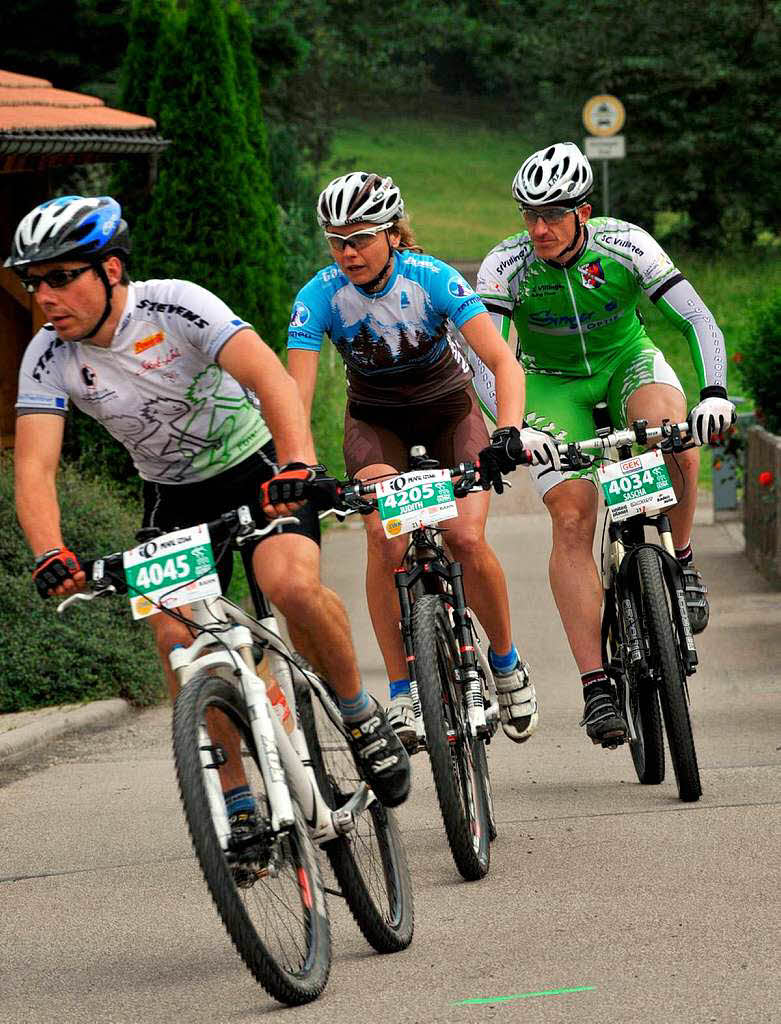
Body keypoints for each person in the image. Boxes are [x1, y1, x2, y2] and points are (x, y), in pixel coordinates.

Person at [8, 194, 410, 811]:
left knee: (289, 587)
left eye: (61, 278)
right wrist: (49, 551)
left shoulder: (175, 304)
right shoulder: (48, 354)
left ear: (110, 271)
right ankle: (237, 800)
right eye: (34, 282)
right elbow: (35, 466)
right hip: (171, 497)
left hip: (258, 470)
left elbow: (270, 378)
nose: (45, 297)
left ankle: (359, 714)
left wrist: (298, 463)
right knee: (175, 636)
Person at [471, 142, 735, 746]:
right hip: (548, 383)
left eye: (553, 215)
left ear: (582, 212)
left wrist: (715, 392)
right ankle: (595, 686)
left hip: (625, 361)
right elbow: (487, 356)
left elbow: (697, 318)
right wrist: (513, 428)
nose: (538, 228)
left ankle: (684, 560)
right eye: (529, 214)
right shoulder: (504, 264)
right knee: (571, 513)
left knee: (678, 436)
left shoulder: (628, 243)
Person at [286, 171, 552, 749]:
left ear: (393, 234)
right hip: (375, 423)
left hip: (448, 413)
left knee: (466, 538)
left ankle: (505, 664)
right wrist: (298, 465)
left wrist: (507, 430)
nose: (348, 251)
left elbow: (504, 363)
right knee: (385, 540)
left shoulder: (432, 278)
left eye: (360, 237)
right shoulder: (319, 296)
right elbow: (294, 400)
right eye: (337, 240)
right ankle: (405, 694)